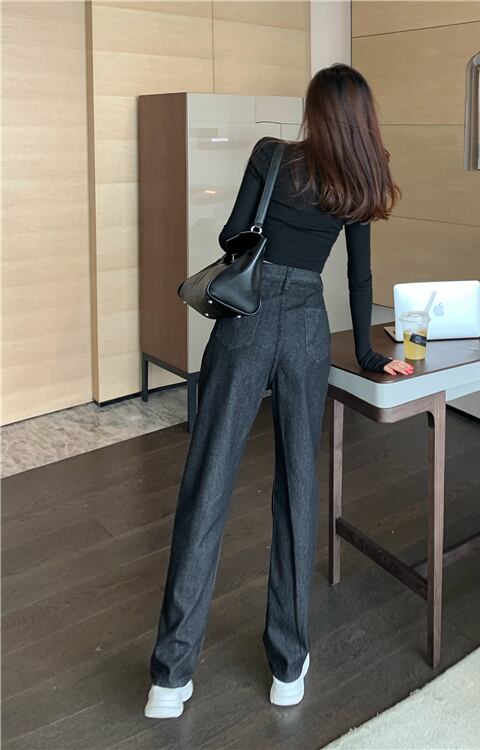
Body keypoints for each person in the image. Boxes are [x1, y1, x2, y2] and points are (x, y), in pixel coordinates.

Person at [144, 63, 413, 719]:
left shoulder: (273, 156)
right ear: (363, 119)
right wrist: (367, 354)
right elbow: (358, 275)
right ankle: (288, 666)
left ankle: (171, 679)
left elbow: (230, 236)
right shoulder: (360, 178)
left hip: (249, 319)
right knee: (297, 485)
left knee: (208, 481)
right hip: (308, 330)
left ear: (314, 111)